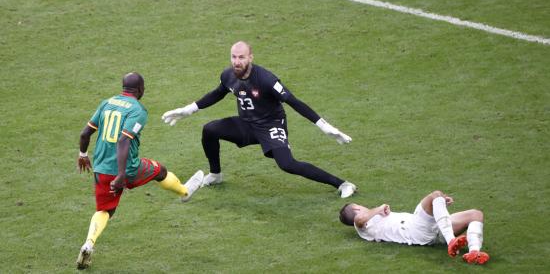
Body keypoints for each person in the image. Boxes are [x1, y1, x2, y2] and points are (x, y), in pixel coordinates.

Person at [161, 41, 356, 198]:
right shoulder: (229, 75)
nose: (237, 62)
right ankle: (216, 174)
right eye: (234, 57)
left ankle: (342, 184)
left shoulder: (266, 80)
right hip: (247, 124)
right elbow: (218, 93)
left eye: (241, 57)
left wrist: (324, 126)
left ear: (250, 58)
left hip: (271, 125)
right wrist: (189, 109)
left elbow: (293, 101)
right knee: (210, 130)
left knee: (287, 164)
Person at [76, 72, 204, 270]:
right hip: (126, 168)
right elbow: (124, 140)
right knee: (159, 170)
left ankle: (88, 244)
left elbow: (85, 133)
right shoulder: (138, 110)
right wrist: (121, 175)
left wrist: (83, 154)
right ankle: (185, 192)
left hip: (101, 168)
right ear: (140, 89)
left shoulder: (107, 103)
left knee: (105, 210)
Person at [339, 190, 490, 265]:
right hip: (415, 229)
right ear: (357, 209)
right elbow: (359, 219)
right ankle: (451, 240)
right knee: (435, 194)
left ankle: (474, 253)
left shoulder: (372, 222)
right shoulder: (362, 226)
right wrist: (378, 209)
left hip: (430, 231)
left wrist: (440, 204)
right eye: (359, 206)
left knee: (475, 214)